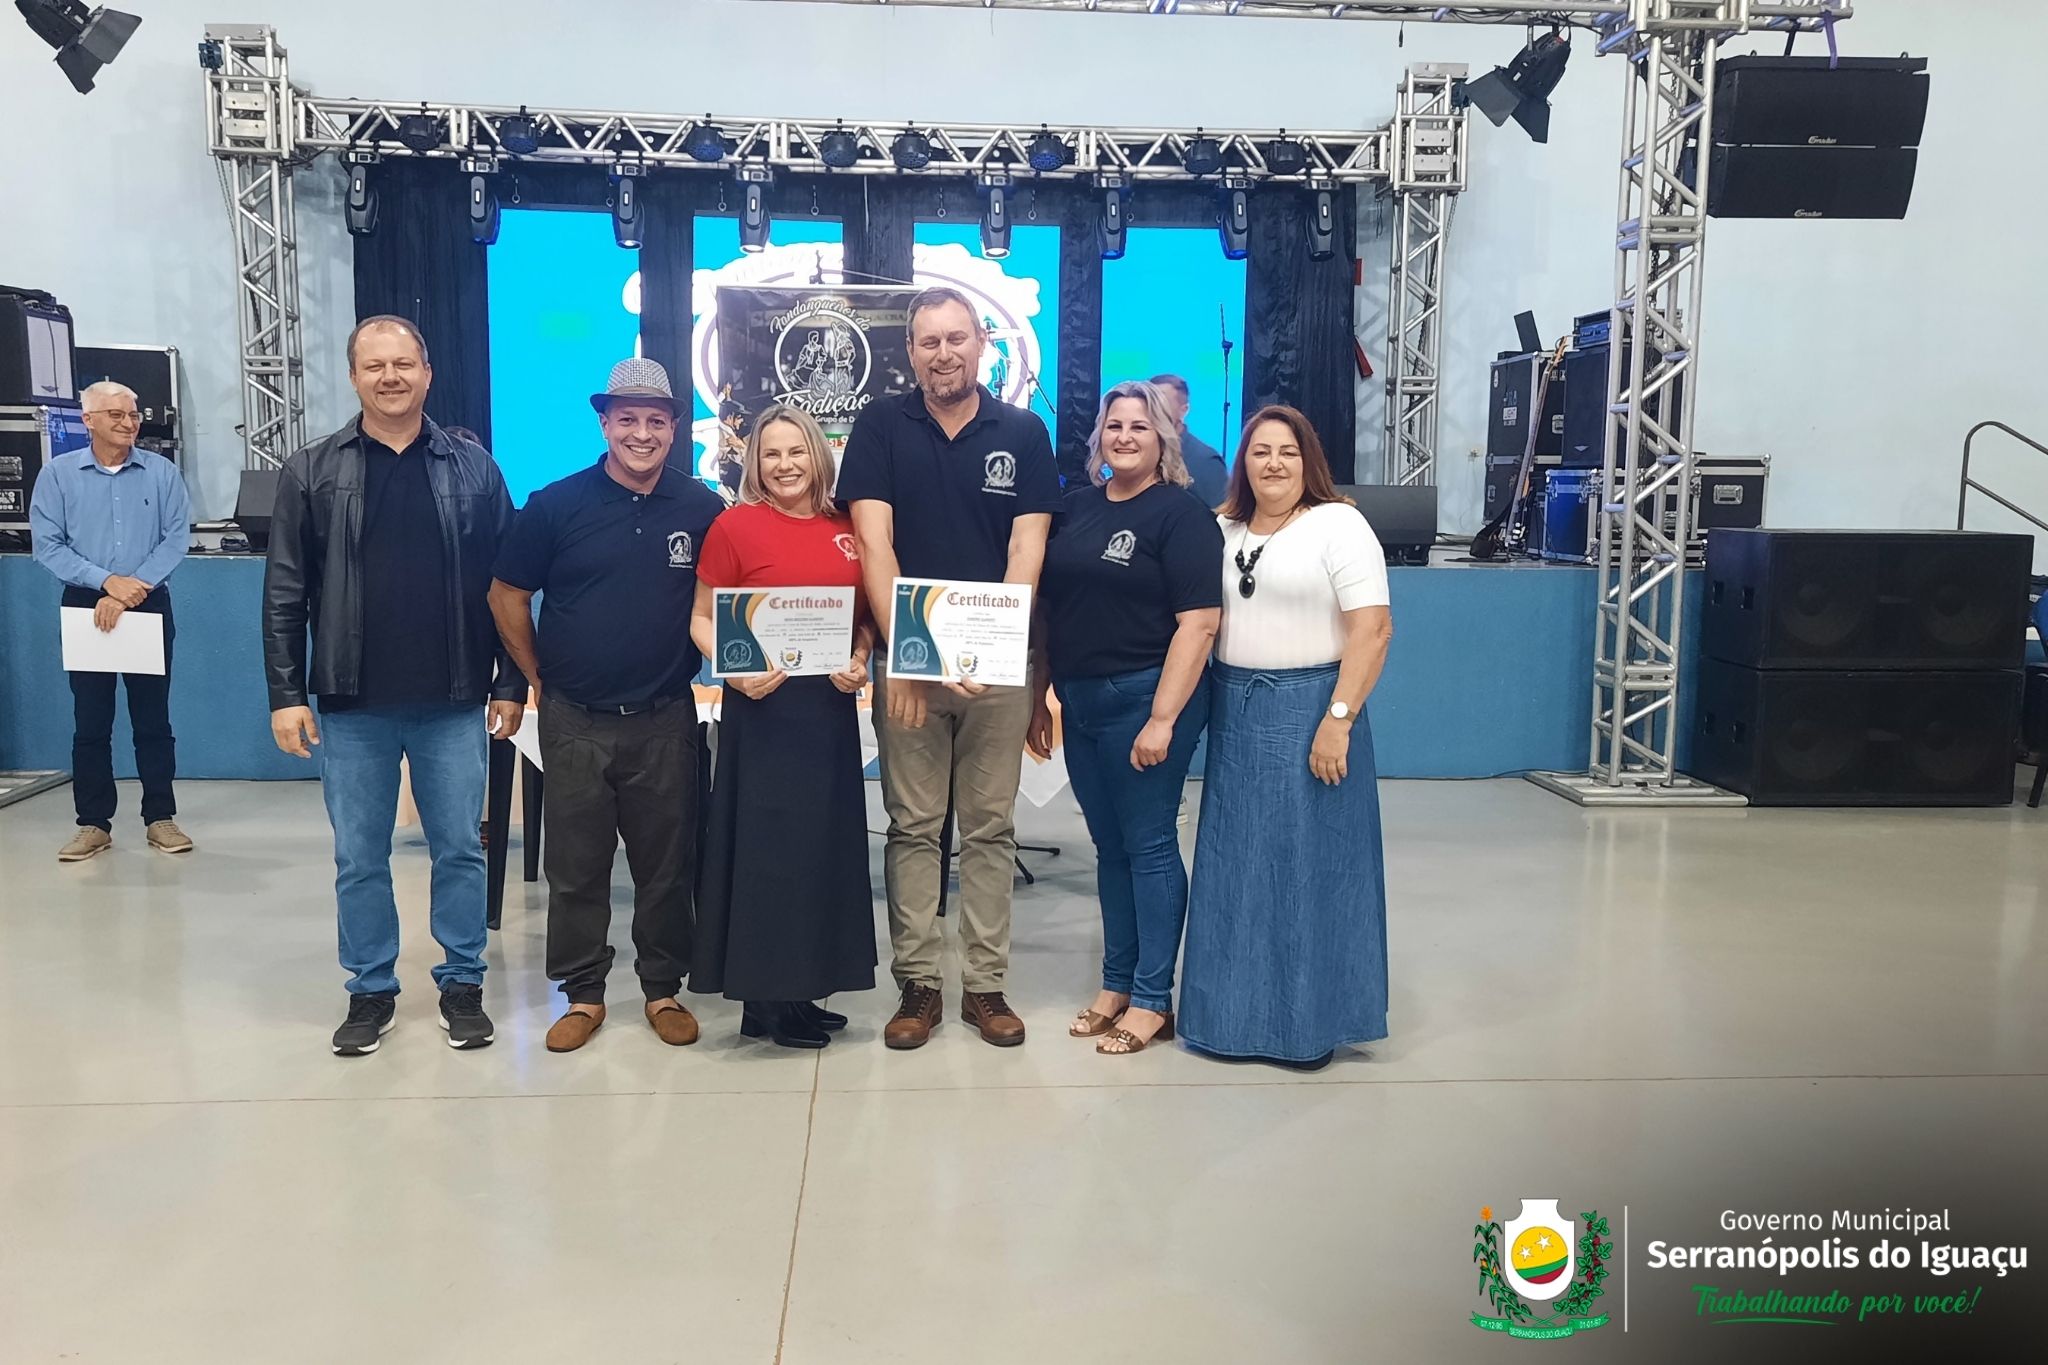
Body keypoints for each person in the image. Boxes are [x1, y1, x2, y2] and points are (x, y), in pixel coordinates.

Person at [263, 315, 526, 1057]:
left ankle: (463, 982)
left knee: (459, 850)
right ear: (353, 376)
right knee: (359, 854)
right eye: (374, 365)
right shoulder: (311, 471)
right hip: (353, 704)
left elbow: (507, 588)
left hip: (452, 699)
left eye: (403, 363)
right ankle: (371, 988)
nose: (390, 376)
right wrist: (287, 692)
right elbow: (285, 591)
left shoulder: (476, 471)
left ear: (427, 372)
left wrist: (509, 680)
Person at [837, 286, 1061, 1049]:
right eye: (929, 341)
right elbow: (876, 545)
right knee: (913, 827)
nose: (944, 353)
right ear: (911, 352)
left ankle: (987, 986)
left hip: (997, 668)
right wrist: (909, 656)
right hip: (910, 671)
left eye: (957, 339)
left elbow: (1026, 550)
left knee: (992, 829)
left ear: (981, 344)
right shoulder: (878, 427)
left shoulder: (1025, 433)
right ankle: (921, 985)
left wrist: (988, 651)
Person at [488, 359, 725, 1054]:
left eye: (656, 420)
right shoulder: (555, 505)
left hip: (664, 716)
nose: (642, 433)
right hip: (574, 719)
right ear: (604, 423)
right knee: (576, 864)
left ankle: (662, 988)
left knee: (666, 863)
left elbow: (728, 596)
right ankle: (583, 993)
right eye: (627, 419)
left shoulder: (703, 509)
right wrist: (536, 672)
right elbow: (506, 592)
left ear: (675, 427)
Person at [1179, 405, 1395, 1071]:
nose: (1273, 463)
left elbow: (1374, 629)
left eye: (1288, 452)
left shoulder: (1340, 524)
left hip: (1313, 708)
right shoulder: (1220, 528)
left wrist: (1338, 719)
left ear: (1310, 462)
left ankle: (1307, 1025)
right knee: (1234, 868)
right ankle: (1226, 1019)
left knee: (1310, 870)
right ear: (1241, 461)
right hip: (1236, 710)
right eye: (1260, 451)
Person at [1028, 380, 1222, 1055]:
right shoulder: (1077, 507)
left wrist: (1163, 718)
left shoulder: (1182, 514)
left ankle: (1150, 998)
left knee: (1148, 846)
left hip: (1146, 700)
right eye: (1115, 426)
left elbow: (1198, 624)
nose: (1126, 437)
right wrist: (1039, 695)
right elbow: (1052, 610)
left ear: (1163, 437)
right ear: (1099, 438)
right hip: (1080, 704)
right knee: (1111, 849)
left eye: (1141, 427)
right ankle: (1114, 984)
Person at [688, 405, 877, 1048]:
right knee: (767, 856)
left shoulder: (847, 525)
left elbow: (864, 619)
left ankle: (802, 987)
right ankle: (766, 999)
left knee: (822, 850)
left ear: (819, 455)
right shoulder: (733, 527)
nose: (785, 464)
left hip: (826, 712)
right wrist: (731, 672)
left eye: (797, 451)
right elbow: (702, 618)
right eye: (771, 454)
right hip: (762, 709)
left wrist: (860, 657)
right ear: (753, 463)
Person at [30, 380, 193, 862]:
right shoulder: (58, 476)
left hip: (147, 603)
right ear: (89, 421)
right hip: (85, 605)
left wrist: (130, 588)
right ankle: (93, 823)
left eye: (134, 414)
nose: (129, 423)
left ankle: (160, 817)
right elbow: (48, 545)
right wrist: (106, 583)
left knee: (153, 719)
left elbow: (176, 537)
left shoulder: (162, 473)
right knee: (91, 721)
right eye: (116, 415)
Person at [1150, 374, 1230, 508]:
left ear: (1184, 410)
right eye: (1149, 402)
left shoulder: (1205, 461)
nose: (1154, 410)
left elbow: (1223, 520)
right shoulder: (1140, 454)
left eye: (1162, 403)